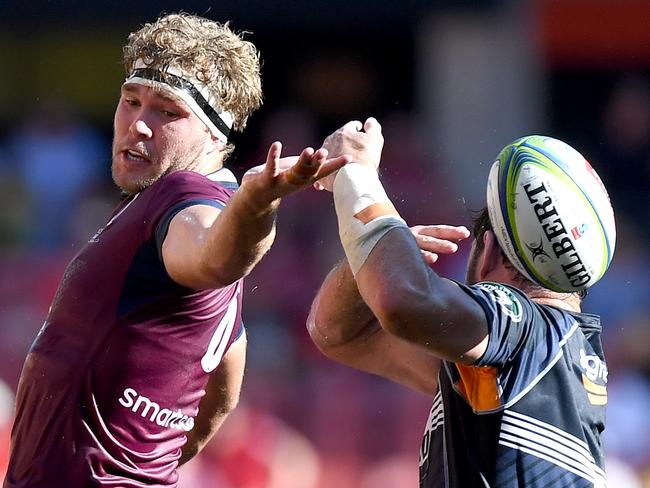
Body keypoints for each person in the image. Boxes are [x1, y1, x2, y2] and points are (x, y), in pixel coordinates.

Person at [4, 13, 349, 488]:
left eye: (167, 112)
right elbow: (225, 384)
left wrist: (256, 203)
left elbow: (214, 256)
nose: (138, 126)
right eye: (131, 102)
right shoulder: (167, 211)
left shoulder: (185, 199)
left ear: (216, 135)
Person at [308, 118, 610, 487]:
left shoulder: (522, 327)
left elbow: (402, 300)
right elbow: (336, 332)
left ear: (489, 253)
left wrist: (355, 174)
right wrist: (379, 258)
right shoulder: (540, 362)